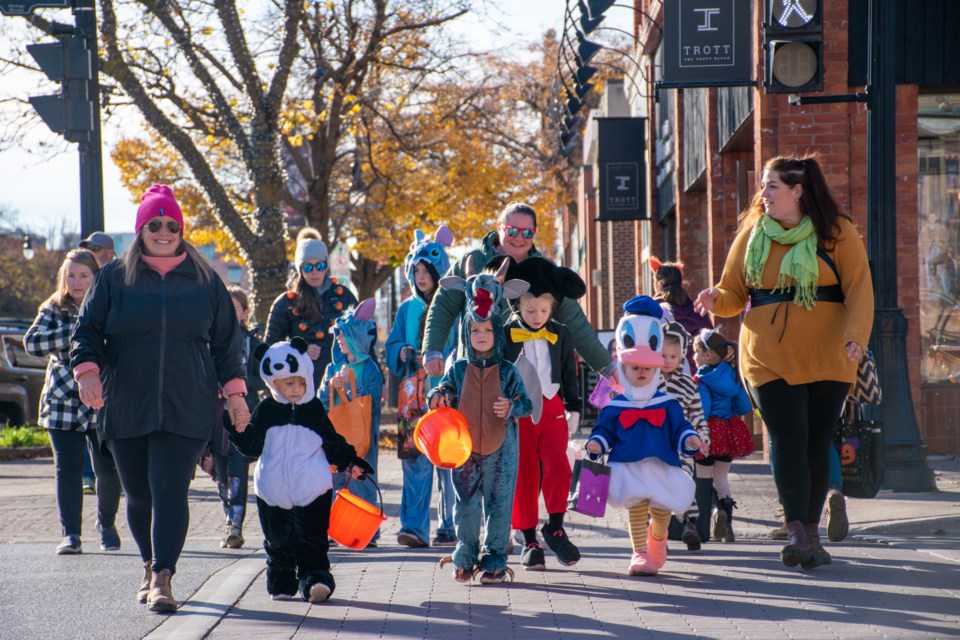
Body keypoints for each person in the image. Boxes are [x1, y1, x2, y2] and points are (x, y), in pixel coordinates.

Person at [72, 184, 250, 613]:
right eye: (156, 224)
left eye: (172, 225)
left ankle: (164, 576)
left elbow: (228, 343)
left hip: (187, 400)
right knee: (139, 495)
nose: (165, 231)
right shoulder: (114, 276)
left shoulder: (206, 278)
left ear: (181, 230)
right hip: (126, 399)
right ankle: (149, 565)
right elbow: (87, 330)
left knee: (169, 490)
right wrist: (88, 372)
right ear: (141, 229)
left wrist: (236, 395)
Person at [694, 154, 874, 569]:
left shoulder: (837, 231)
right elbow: (734, 290)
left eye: (772, 186)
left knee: (815, 439)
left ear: (797, 191)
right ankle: (795, 528)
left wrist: (856, 337)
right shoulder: (754, 232)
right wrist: (715, 299)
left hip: (829, 351)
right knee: (788, 437)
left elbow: (860, 288)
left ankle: (812, 531)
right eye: (763, 185)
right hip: (767, 354)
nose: (763, 194)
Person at [225, 337, 373, 602]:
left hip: (312, 489)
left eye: (300, 382)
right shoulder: (266, 410)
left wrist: (350, 463)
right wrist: (235, 429)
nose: (295, 389)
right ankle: (281, 580)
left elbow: (332, 442)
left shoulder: (313, 409)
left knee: (312, 540)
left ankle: (315, 578)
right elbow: (252, 446)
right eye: (287, 383)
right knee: (277, 543)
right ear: (273, 382)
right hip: (272, 491)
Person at [422, 202, 615, 381]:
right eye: (512, 230)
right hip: (477, 370)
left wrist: (607, 367)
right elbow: (442, 306)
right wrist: (432, 350)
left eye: (527, 233)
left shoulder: (544, 270)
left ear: (535, 233)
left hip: (527, 375)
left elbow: (574, 321)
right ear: (499, 227)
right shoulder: (472, 262)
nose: (519, 238)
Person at [428, 262, 532, 584]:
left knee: (499, 507)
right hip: (465, 453)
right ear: (466, 332)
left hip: (503, 453)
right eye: (475, 330)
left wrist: (512, 406)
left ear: (497, 332)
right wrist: (437, 396)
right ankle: (466, 555)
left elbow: (527, 404)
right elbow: (441, 389)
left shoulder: (509, 371)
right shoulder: (458, 369)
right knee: (467, 508)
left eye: (488, 330)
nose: (481, 336)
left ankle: (496, 559)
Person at [585, 296, 701, 576]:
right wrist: (597, 443)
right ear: (624, 368)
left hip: (662, 462)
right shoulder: (615, 404)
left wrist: (690, 439)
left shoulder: (667, 403)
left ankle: (657, 539)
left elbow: (680, 426)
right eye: (635, 367)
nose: (641, 372)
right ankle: (639, 553)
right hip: (628, 464)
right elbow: (605, 429)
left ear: (656, 368)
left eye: (647, 368)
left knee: (661, 510)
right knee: (635, 507)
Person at [23, 249, 122, 556]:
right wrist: (76, 331)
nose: (77, 282)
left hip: (100, 400)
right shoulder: (53, 308)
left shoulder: (110, 305)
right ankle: (71, 535)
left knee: (108, 470)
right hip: (62, 402)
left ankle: (106, 524)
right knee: (68, 469)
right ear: (63, 279)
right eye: (71, 276)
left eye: (83, 275)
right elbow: (32, 343)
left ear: (96, 277)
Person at [500, 256, 586, 571]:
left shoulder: (561, 333)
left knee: (559, 468)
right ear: (518, 307)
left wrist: (574, 405)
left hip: (552, 408)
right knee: (525, 474)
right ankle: (529, 538)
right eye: (530, 310)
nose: (537, 316)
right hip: (519, 411)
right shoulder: (505, 333)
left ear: (553, 309)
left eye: (543, 311)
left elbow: (569, 371)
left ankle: (555, 525)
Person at [385, 227, 458, 548]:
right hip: (411, 398)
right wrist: (401, 351)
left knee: (450, 462)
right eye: (416, 270)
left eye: (427, 270)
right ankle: (414, 527)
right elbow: (393, 344)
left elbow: (460, 347)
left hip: (446, 394)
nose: (421, 276)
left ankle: (450, 525)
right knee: (415, 462)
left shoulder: (453, 306)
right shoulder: (406, 309)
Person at [319, 298, 383, 546]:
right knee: (337, 480)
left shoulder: (370, 370)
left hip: (363, 438)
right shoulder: (333, 367)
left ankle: (367, 531)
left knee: (362, 479)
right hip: (337, 435)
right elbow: (321, 400)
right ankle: (337, 528)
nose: (340, 341)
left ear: (356, 338)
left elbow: (371, 405)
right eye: (338, 337)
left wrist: (347, 390)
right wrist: (332, 385)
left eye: (343, 336)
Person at [266, 227, 358, 391]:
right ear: (300, 269)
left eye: (320, 265)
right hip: (301, 386)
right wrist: (298, 351)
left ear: (326, 266)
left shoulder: (344, 297)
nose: (315, 272)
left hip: (342, 385)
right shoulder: (285, 303)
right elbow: (271, 347)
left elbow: (362, 337)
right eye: (308, 267)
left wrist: (377, 378)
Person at [213, 285, 267, 550]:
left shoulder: (253, 343)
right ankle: (228, 519)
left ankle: (235, 525)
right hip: (214, 417)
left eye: (234, 309)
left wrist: (238, 380)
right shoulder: (209, 341)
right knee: (221, 472)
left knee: (237, 469)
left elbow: (263, 379)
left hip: (245, 415)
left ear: (245, 313)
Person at [691, 329, 753, 544]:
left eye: (695, 352)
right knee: (721, 478)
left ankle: (710, 519)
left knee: (704, 478)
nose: (693, 357)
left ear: (707, 355)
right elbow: (744, 406)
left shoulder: (702, 379)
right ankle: (727, 527)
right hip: (729, 432)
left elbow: (703, 411)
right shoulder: (733, 375)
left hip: (708, 433)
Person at [658, 321, 709, 551]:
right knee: (657, 487)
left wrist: (703, 437)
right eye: (663, 355)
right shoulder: (650, 382)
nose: (668, 361)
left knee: (684, 482)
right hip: (656, 445)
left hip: (682, 445)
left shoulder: (688, 385)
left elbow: (697, 414)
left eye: (673, 356)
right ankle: (657, 533)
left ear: (681, 356)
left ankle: (690, 524)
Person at [649, 257, 713, 372]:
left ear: (657, 284)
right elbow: (713, 343)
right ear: (681, 282)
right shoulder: (698, 310)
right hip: (697, 380)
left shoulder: (651, 311)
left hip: (663, 380)